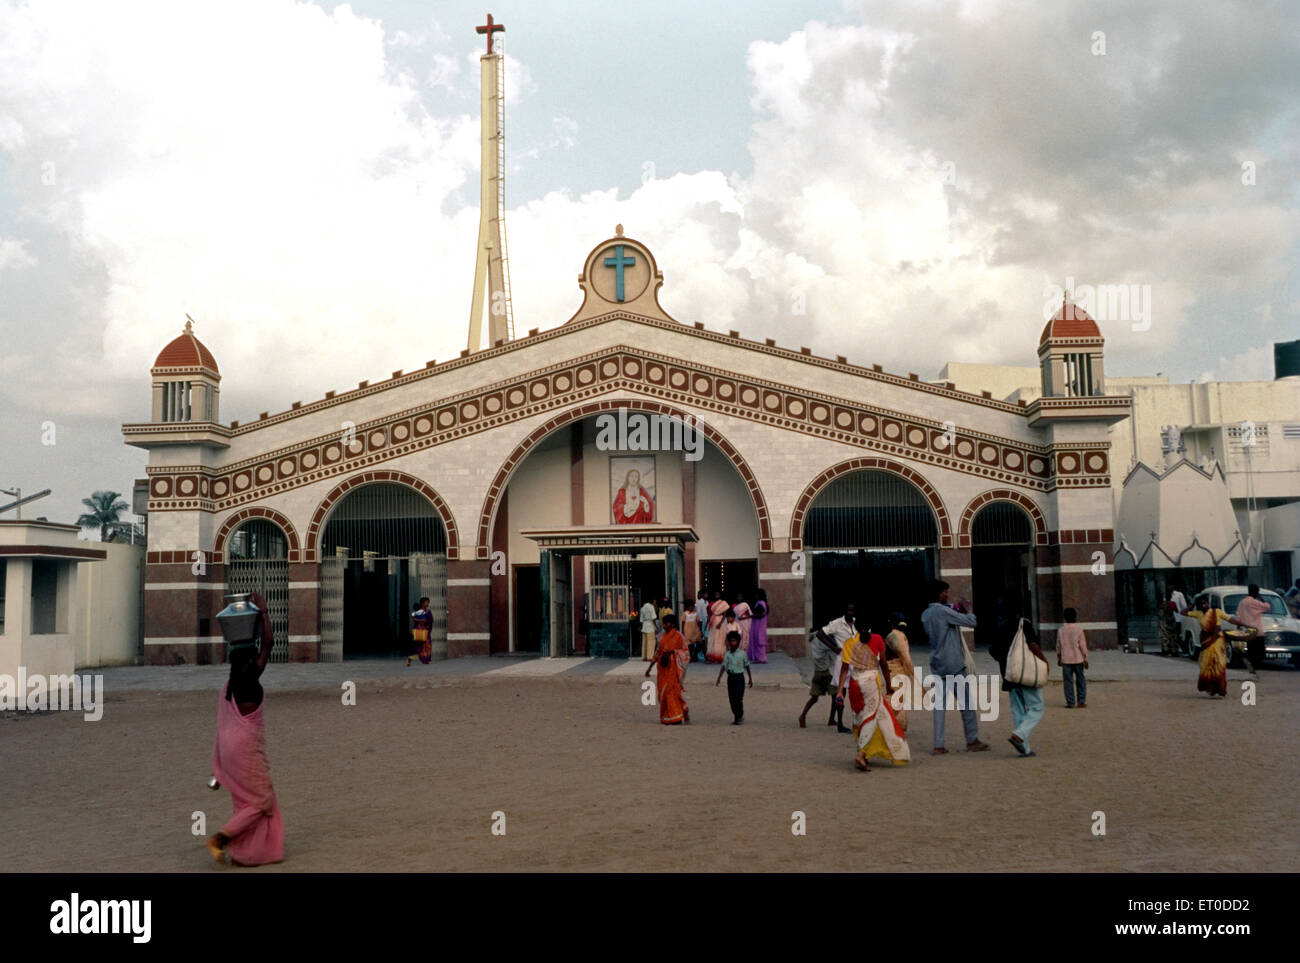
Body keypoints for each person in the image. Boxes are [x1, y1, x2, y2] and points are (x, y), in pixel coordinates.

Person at [207, 592, 285, 866]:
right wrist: (263, 612)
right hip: (246, 748)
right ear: (249, 661)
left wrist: (218, 770)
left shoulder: (229, 688)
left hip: (228, 751)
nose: (256, 659)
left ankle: (244, 853)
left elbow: (221, 729)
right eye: (253, 657)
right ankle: (221, 838)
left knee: (244, 800)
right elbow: (269, 644)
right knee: (262, 800)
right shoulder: (251, 679)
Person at [920, 580, 989, 754]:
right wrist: (969, 610)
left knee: (939, 706)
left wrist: (954, 607)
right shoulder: (944, 612)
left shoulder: (926, 614)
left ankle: (938, 745)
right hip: (953, 663)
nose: (947, 595)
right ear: (939, 593)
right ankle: (972, 740)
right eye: (945, 592)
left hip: (936, 662)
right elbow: (971, 622)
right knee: (966, 704)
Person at [845, 627, 909, 770]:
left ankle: (864, 754)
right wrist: (888, 685)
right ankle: (861, 754)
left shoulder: (850, 642)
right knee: (871, 718)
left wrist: (839, 692)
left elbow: (844, 667)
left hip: (854, 685)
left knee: (861, 718)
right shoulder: (877, 639)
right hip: (870, 684)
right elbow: (884, 665)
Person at [990, 616, 1048, 757]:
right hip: (1026, 674)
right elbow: (1033, 646)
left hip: (1010, 676)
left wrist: (1007, 661)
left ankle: (1024, 748)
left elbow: (993, 650)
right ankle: (1019, 734)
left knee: (1018, 711)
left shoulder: (1001, 627)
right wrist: (1044, 662)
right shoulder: (1024, 624)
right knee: (1037, 707)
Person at [798, 603, 856, 729]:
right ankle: (834, 721)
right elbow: (829, 645)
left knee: (816, 698)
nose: (851, 613)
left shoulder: (815, 641)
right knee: (837, 694)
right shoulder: (824, 639)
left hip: (820, 672)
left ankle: (807, 716)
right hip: (826, 673)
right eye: (849, 610)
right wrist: (835, 648)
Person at [645, 614, 690, 725]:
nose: (664, 626)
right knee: (663, 693)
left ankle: (676, 717)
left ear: (672, 624)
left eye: (666, 623)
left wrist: (673, 652)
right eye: (663, 623)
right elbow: (657, 652)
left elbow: (686, 653)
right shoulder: (662, 637)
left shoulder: (679, 637)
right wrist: (649, 668)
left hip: (673, 669)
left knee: (672, 692)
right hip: (662, 669)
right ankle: (671, 715)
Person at [1189, 595, 1231, 698]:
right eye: (1203, 603)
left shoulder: (1216, 611)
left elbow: (1230, 619)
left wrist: (1242, 624)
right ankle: (1211, 689)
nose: (1205, 605)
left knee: (1219, 665)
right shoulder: (1198, 614)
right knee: (1205, 666)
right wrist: (1193, 604)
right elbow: (1183, 612)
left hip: (1218, 641)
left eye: (1206, 602)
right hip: (1206, 643)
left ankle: (1221, 690)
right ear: (1199, 605)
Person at [883, 613, 915, 733]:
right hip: (902, 673)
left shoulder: (892, 637)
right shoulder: (903, 637)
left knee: (891, 698)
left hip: (893, 670)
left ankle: (890, 727)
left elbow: (886, 657)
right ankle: (898, 726)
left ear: (891, 623)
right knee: (899, 699)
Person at [716, 630, 753, 724]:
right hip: (731, 678)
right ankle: (737, 716)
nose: (733, 643)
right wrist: (719, 678)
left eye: (734, 641)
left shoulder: (743, 654)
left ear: (738, 642)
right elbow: (723, 666)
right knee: (732, 700)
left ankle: (739, 716)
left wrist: (750, 679)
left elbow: (747, 666)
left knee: (738, 698)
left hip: (739, 678)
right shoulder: (727, 654)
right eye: (731, 641)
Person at [1232, 584, 1270, 676]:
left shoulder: (1242, 602)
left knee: (1251, 649)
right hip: (1257, 630)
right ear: (1256, 592)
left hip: (1247, 630)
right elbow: (1267, 607)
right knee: (1259, 650)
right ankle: (1257, 666)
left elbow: (1239, 617)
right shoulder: (1255, 602)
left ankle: (1251, 666)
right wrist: (1261, 598)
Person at [1056, 607, 1088, 708]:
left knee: (1068, 681)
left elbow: (1058, 645)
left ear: (1065, 618)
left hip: (1066, 659)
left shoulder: (1061, 630)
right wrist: (1085, 658)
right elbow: (1083, 645)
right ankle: (1081, 701)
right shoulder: (1079, 630)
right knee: (1080, 680)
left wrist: (1059, 657)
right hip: (1078, 659)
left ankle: (1070, 702)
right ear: (1075, 617)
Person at [408, 596, 433, 667]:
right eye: (426, 602)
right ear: (422, 603)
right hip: (419, 631)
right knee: (416, 646)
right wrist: (421, 621)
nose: (428, 604)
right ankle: (409, 660)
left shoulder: (428, 612)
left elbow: (430, 620)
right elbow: (414, 619)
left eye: (428, 602)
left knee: (427, 645)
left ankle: (427, 659)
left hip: (426, 631)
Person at [706, 591, 729, 663]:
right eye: (715, 594)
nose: (717, 595)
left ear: (720, 595)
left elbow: (725, 614)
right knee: (713, 638)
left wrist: (720, 623)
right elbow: (709, 614)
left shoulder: (724, 603)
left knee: (720, 638)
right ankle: (713, 656)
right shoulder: (712, 604)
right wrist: (708, 622)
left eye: (718, 594)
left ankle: (720, 656)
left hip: (720, 621)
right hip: (713, 621)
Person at [1158, 584, 1182, 656]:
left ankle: (1166, 650)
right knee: (1173, 636)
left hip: (1164, 621)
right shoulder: (1173, 603)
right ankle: (1174, 650)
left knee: (1165, 636)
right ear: (1171, 597)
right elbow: (1177, 611)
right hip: (1172, 619)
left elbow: (1160, 614)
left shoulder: (1162, 604)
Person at [748, 588, 769, 663]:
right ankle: (758, 658)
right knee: (757, 641)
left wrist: (752, 616)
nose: (755, 596)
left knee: (759, 641)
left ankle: (762, 658)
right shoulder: (761, 603)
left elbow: (762, 614)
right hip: (758, 625)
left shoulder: (761, 603)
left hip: (759, 626)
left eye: (757, 594)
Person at [691, 589, 710, 662]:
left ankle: (696, 655)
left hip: (706, 621)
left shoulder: (706, 602)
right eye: (705, 594)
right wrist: (701, 626)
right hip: (702, 621)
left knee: (703, 639)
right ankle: (703, 655)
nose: (706, 595)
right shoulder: (700, 602)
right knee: (702, 640)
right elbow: (699, 615)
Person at [732, 591, 753, 655]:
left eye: (740, 597)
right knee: (738, 635)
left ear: (742, 597)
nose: (739, 598)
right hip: (737, 622)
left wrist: (743, 618)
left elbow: (750, 614)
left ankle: (745, 650)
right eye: (738, 597)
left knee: (745, 635)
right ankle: (738, 650)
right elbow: (734, 615)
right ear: (736, 597)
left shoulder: (745, 604)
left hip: (745, 622)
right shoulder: (734, 606)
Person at [639, 597, 659, 662]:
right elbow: (654, 618)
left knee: (644, 642)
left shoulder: (642, 608)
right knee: (651, 642)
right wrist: (656, 627)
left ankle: (644, 656)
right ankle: (649, 657)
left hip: (644, 625)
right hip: (650, 625)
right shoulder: (651, 607)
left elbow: (641, 620)